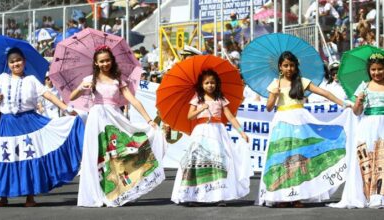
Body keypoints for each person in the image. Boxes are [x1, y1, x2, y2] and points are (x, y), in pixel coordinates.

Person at [73, 45, 167, 207]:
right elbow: (72, 96)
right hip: (96, 118)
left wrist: (149, 120)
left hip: (114, 117)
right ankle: (97, 194)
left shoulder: (118, 80)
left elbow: (134, 100)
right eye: (101, 61)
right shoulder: (90, 80)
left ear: (112, 60)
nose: (105, 63)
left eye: (107, 60)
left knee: (119, 153)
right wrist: (82, 88)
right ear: (95, 63)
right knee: (97, 155)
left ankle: (116, 192)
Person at [258, 51, 352, 208]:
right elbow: (268, 108)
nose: (289, 68)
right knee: (282, 158)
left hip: (300, 120)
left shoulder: (302, 81)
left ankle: (298, 196)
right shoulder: (275, 84)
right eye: (285, 65)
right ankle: (282, 197)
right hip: (282, 122)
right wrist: (273, 95)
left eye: (292, 65)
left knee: (300, 155)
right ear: (280, 67)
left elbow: (325, 92)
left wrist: (342, 103)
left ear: (296, 66)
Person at [0, 47, 83, 207]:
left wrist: (66, 109)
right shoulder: (1, 78)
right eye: (12, 62)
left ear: (24, 62)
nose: (16, 64)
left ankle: (30, 197)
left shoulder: (31, 80)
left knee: (29, 157)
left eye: (18, 60)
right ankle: (3, 197)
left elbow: (48, 95)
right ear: (8, 64)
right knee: (4, 157)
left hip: (28, 123)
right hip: (7, 124)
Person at [171, 69, 251, 206]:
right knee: (196, 160)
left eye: (212, 82)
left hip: (217, 131)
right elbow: (190, 116)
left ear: (217, 84)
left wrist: (241, 132)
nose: (210, 85)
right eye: (207, 83)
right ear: (201, 85)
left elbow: (230, 116)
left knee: (219, 161)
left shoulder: (220, 99)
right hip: (201, 131)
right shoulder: (197, 98)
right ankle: (193, 196)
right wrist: (201, 109)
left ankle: (219, 195)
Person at [329, 53, 384, 208]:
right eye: (374, 69)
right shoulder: (364, 86)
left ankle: (380, 195)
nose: (377, 73)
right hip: (368, 125)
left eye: (380, 69)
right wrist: (358, 101)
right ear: (369, 70)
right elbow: (356, 112)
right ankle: (369, 194)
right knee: (369, 159)